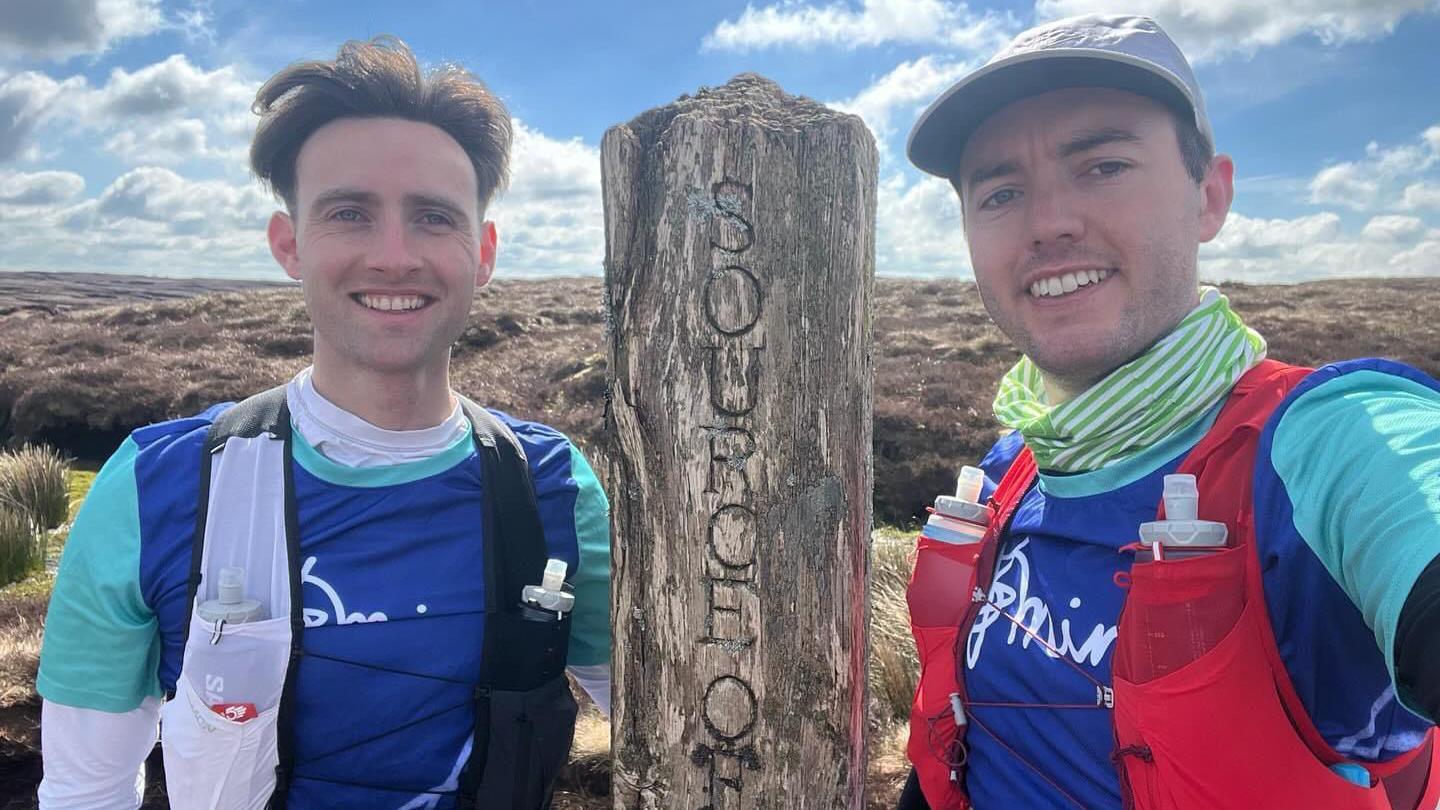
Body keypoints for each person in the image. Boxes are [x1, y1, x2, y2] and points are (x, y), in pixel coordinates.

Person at [35, 38, 610, 809]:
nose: (395, 256)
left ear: (483, 252)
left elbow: (682, 723)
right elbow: (85, 790)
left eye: (434, 217)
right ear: (289, 244)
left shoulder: (555, 489)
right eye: (349, 212)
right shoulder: (153, 489)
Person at [899, 13, 1440, 810]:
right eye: (1001, 192)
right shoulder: (1013, 468)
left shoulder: (1326, 443)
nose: (1048, 223)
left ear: (1210, 197)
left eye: (1104, 165)